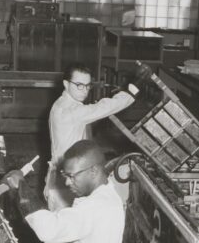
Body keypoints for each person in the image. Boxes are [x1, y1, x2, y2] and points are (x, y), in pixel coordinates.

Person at [45, 63, 139, 210]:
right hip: (66, 182)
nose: (84, 91)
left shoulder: (60, 103)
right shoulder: (71, 110)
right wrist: (132, 90)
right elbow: (105, 107)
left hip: (62, 176)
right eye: (79, 85)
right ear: (66, 84)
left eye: (88, 86)